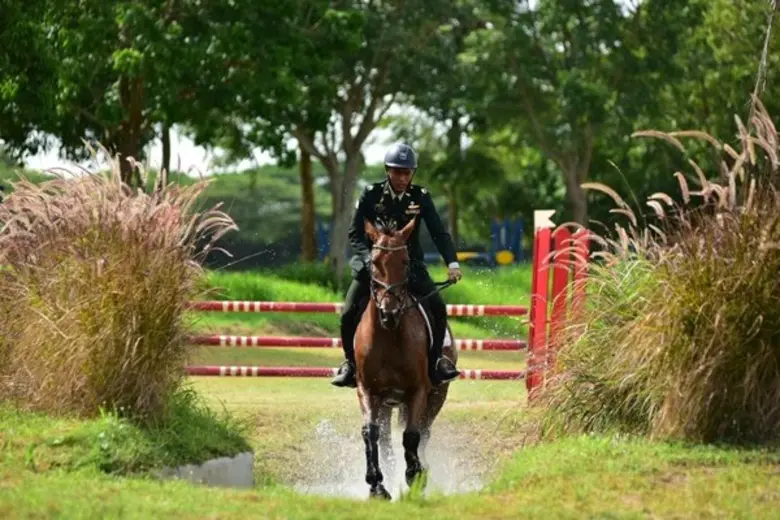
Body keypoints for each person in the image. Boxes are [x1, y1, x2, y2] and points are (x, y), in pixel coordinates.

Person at [330, 143, 463, 388]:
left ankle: (436, 363)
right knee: (348, 312)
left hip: (408, 265)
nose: (402, 178)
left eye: (407, 172)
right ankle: (350, 365)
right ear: (387, 171)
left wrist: (452, 262)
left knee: (438, 308)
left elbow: (438, 232)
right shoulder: (371, 194)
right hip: (374, 266)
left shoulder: (420, 197)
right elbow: (355, 234)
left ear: (413, 173)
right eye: (397, 172)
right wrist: (370, 259)